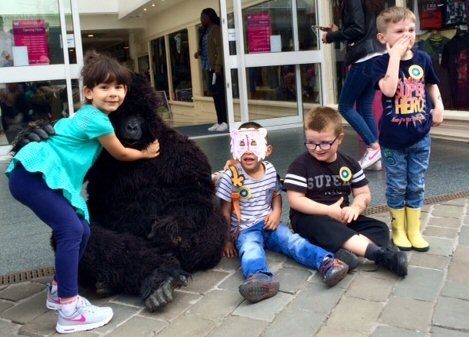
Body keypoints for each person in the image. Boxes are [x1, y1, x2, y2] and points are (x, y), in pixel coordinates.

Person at [5, 50, 160, 334]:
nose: (113, 93)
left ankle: (57, 289)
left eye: (119, 87)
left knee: (82, 230)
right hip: (33, 174)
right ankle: (69, 309)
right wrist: (146, 153)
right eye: (105, 87)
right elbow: (121, 153)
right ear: (89, 92)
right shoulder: (98, 121)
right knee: (71, 231)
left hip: (37, 175)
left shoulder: (89, 115)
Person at [216, 122, 350, 304]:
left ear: (267, 150)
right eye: (242, 145)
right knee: (250, 250)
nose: (248, 152)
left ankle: (326, 262)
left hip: (270, 223)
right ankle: (260, 279)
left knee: (293, 242)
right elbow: (225, 210)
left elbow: (276, 196)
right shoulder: (229, 177)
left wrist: (276, 213)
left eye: (254, 144)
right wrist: (227, 240)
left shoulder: (270, 170)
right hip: (245, 230)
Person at [284, 106, 408, 277]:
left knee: (379, 228)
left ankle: (343, 251)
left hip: (342, 217)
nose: (317, 148)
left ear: (339, 138)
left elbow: (363, 194)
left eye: (325, 143)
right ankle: (380, 255)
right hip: (310, 218)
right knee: (325, 227)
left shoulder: (349, 163)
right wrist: (328, 211)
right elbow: (295, 200)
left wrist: (355, 209)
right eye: (311, 142)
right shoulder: (300, 165)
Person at [373, 6, 444, 252]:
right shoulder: (379, 63)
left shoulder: (423, 58)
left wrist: (439, 105)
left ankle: (414, 229)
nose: (407, 35)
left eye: (411, 30)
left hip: (420, 136)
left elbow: (432, 84)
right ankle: (398, 229)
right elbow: (390, 90)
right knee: (397, 185)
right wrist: (394, 56)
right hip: (393, 140)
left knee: (416, 183)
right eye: (399, 30)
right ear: (383, 38)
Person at [321, 0, 386, 170]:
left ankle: (373, 147)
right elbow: (363, 28)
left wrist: (331, 36)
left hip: (364, 58)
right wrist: (338, 32)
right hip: (377, 55)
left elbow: (357, 29)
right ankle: (375, 157)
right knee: (365, 107)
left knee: (345, 106)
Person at [194, 8, 228, 132]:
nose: (201, 19)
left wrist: (218, 65)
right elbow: (209, 48)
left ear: (209, 17)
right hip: (208, 66)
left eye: (203, 16)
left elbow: (220, 49)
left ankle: (225, 121)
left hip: (216, 67)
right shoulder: (205, 31)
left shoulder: (216, 29)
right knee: (214, 94)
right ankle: (219, 121)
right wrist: (199, 52)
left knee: (219, 94)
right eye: (201, 17)